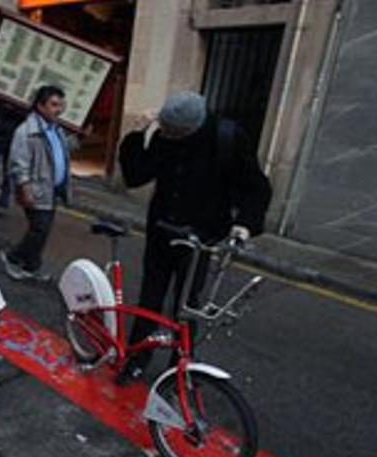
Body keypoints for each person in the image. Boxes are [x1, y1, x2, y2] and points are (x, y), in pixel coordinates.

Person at [115, 91, 272, 385]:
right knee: (150, 298)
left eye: (174, 133)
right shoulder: (165, 135)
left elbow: (257, 187)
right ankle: (137, 357)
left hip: (202, 237)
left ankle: (180, 368)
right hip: (162, 231)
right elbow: (136, 175)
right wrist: (137, 135)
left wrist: (244, 225)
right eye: (166, 130)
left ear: (192, 127)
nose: (167, 136)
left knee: (186, 307)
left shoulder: (227, 138)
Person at [0, 85, 72, 281]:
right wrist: (25, 188)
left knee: (42, 230)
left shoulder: (56, 129)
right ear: (40, 106)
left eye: (61, 105)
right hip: (36, 189)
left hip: (52, 189)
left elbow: (62, 153)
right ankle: (13, 257)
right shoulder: (26, 131)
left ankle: (32, 265)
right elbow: (18, 163)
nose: (59, 109)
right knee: (39, 229)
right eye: (54, 105)